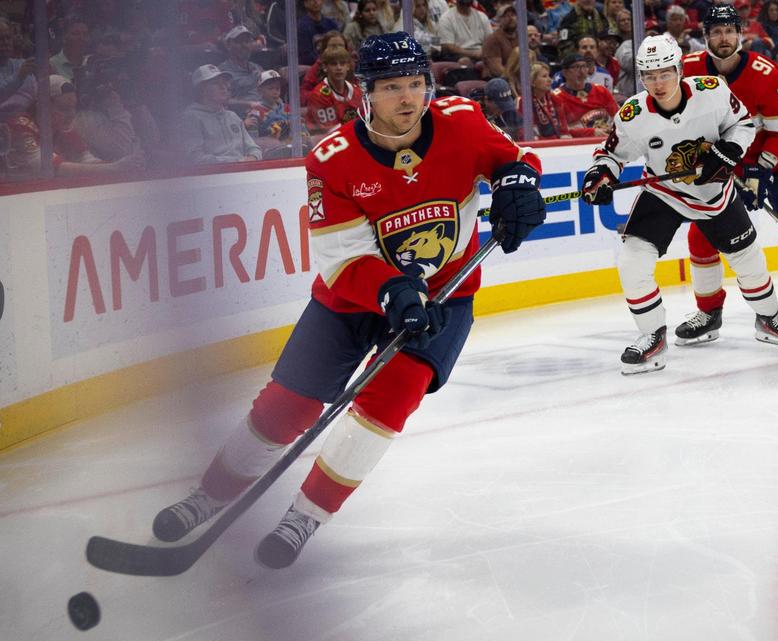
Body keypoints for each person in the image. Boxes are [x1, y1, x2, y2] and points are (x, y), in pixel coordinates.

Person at [151, 32, 545, 569]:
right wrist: (393, 289)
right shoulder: (331, 160)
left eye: (415, 84)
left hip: (445, 297)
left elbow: (513, 159)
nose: (407, 99)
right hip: (353, 298)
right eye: (391, 88)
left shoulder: (462, 119)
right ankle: (210, 495)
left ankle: (305, 516)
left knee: (385, 405)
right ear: (364, 93)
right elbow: (342, 258)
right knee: (286, 406)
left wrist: (518, 185)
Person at [581, 35, 778, 374]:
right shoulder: (633, 113)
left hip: (713, 194)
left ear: (680, 69)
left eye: (665, 73)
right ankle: (652, 337)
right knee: (632, 261)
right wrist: (600, 173)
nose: (658, 83)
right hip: (664, 191)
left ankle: (770, 318)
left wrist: (730, 151)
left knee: (748, 260)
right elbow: (611, 153)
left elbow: (743, 124)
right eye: (649, 75)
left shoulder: (713, 91)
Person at [679, 5, 778, 344]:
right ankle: (709, 313)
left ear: (740, 34)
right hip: (722, 166)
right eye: (716, 32)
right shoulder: (688, 70)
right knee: (701, 236)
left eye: (729, 31)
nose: (723, 38)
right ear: (706, 36)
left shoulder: (766, 74)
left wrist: (761, 168)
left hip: (776, 161)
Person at [177, 64, 263, 164]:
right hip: (212, 177)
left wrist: (253, 157)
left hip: (244, 172)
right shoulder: (191, 118)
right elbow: (195, 158)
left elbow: (253, 148)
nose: (224, 87)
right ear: (202, 90)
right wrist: (236, 162)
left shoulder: (232, 116)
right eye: (216, 83)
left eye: (224, 83)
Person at [551, 52, 617, 134]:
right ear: (565, 73)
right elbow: (560, 131)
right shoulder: (557, 97)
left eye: (584, 66)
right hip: (577, 144)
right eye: (576, 67)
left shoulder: (601, 91)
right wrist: (591, 132)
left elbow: (618, 117)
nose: (582, 71)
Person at [305, 46, 364, 135]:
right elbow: (330, 131)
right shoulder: (318, 95)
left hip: (352, 135)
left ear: (348, 66)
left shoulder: (357, 91)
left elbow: (365, 121)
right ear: (325, 67)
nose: (339, 68)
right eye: (333, 64)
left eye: (342, 63)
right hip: (326, 141)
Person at [219, 25, 265, 114]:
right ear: (228, 45)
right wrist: (249, 104)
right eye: (239, 41)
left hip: (267, 114)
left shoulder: (258, 68)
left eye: (247, 41)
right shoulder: (222, 72)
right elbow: (223, 100)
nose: (244, 45)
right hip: (242, 117)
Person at [482, 4, 517, 79]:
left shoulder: (521, 37)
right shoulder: (492, 39)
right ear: (498, 20)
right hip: (497, 80)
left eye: (513, 15)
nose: (511, 18)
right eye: (506, 16)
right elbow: (497, 70)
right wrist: (516, 79)